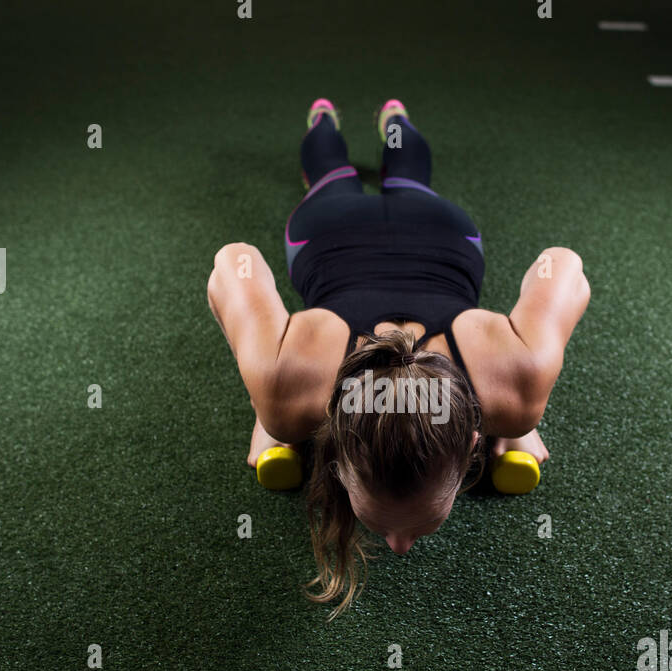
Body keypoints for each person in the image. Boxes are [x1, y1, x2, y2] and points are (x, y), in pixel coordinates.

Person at [208, 98, 589, 617]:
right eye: (389, 527)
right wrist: (271, 397)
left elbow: (236, 262)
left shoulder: (515, 384)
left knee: (342, 180)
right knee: (382, 178)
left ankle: (352, 120)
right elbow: (561, 264)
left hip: (358, 230)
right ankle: (377, 120)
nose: (398, 547)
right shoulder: (289, 387)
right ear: (474, 441)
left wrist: (270, 404)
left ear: (473, 440)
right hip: (402, 230)